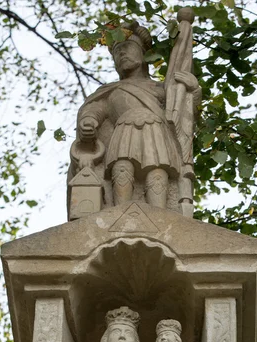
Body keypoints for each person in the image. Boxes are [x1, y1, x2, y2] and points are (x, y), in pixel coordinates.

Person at [70, 21, 200, 209]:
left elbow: (182, 111)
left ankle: (160, 213)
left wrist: (192, 90)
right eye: (117, 51)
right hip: (124, 131)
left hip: (157, 131)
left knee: (157, 171)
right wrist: (88, 121)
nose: (122, 53)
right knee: (122, 167)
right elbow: (95, 109)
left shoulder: (162, 89)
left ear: (144, 53)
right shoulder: (111, 91)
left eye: (128, 47)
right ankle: (119, 211)